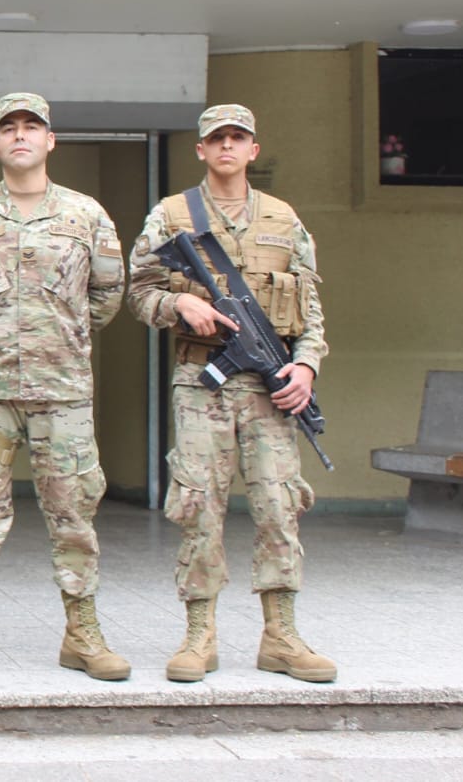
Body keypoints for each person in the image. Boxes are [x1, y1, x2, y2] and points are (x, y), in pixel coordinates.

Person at [0, 92, 129, 683]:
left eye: (31, 127)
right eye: (8, 127)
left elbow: (107, 295)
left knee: (74, 513)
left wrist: (56, 334)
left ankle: (82, 635)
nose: (20, 135)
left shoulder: (86, 215)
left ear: (49, 140)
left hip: (62, 391)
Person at [126, 103, 334, 684]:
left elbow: (311, 307)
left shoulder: (283, 219)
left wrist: (306, 367)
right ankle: (200, 635)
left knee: (279, 506)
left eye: (237, 138)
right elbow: (137, 292)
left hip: (272, 389)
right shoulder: (172, 214)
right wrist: (179, 303)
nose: (226, 147)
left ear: (252, 149)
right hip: (202, 383)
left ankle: (281, 636)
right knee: (199, 506)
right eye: (216, 138)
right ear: (200, 149)